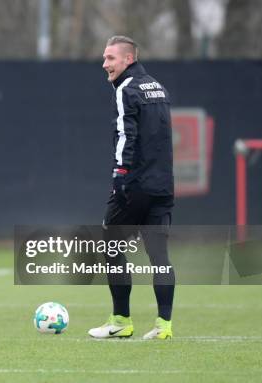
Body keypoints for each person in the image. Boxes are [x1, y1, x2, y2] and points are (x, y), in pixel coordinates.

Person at [88, 36, 175, 340]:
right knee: (159, 256)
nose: (105, 64)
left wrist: (120, 174)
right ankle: (164, 326)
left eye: (110, 58)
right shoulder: (158, 87)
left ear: (128, 59)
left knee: (111, 245)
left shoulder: (127, 89)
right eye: (104, 58)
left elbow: (127, 134)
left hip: (135, 183)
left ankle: (121, 320)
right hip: (162, 186)